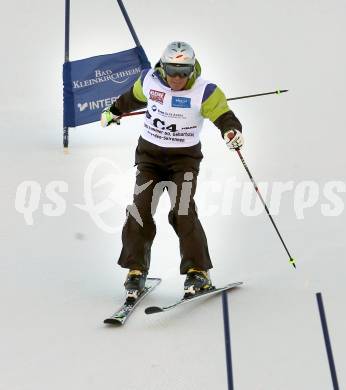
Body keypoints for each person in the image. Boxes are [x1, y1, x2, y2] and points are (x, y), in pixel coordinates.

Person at [101, 41, 244, 299]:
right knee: (140, 209)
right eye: (172, 70)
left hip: (183, 161)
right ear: (162, 67)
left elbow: (224, 116)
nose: (177, 78)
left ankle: (198, 271)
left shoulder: (205, 91)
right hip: (149, 158)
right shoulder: (149, 81)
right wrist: (113, 111)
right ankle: (136, 270)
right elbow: (131, 98)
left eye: (184, 72)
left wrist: (231, 131)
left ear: (192, 70)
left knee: (183, 210)